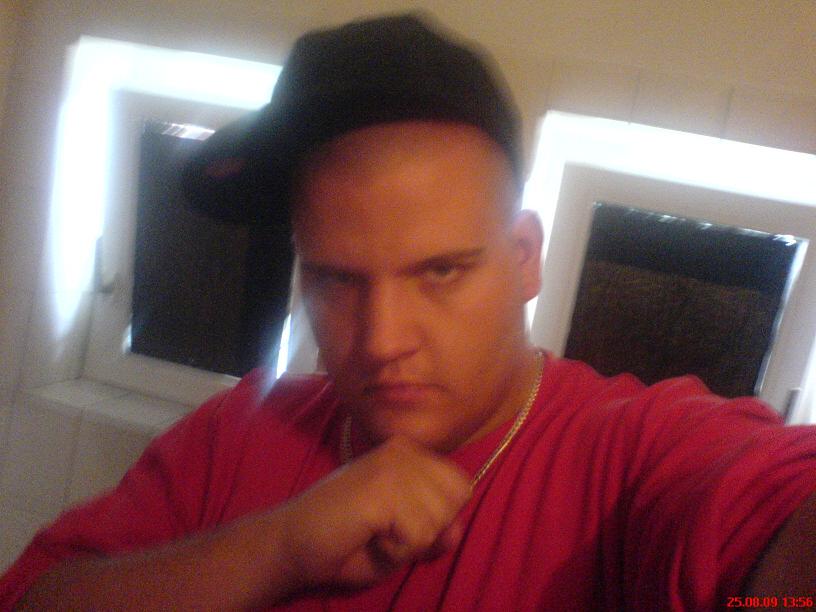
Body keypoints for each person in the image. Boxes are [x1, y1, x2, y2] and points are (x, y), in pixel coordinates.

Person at [2, 13, 816, 611]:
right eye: (336, 280)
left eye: (441, 272)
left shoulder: (630, 459)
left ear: (524, 257)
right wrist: (276, 548)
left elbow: (774, 532)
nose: (382, 342)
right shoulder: (235, 434)